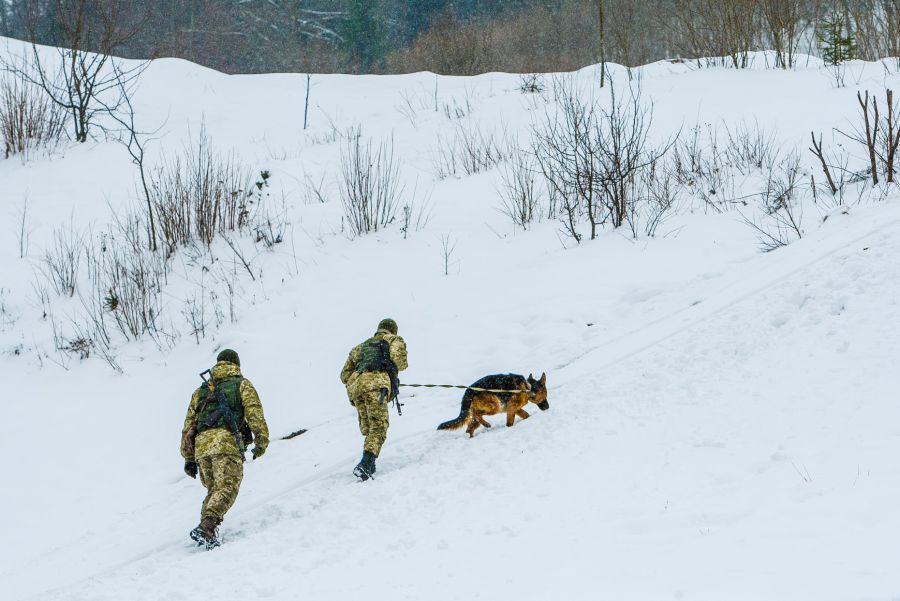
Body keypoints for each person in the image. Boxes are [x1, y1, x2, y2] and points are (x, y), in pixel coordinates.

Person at [180, 349, 269, 549]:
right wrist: (262, 441)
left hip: (202, 448)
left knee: (214, 489)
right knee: (227, 487)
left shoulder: (201, 391)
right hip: (225, 443)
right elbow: (254, 413)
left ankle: (208, 529)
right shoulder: (241, 384)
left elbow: (188, 426)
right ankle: (207, 526)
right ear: (235, 364)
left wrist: (188, 457)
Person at [340, 318, 408, 480]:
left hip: (356, 389)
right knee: (379, 426)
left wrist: (360, 379)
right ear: (393, 330)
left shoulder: (360, 347)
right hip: (376, 386)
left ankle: (371, 465)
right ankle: (365, 463)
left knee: (369, 428)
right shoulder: (393, 339)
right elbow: (401, 361)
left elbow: (344, 375)